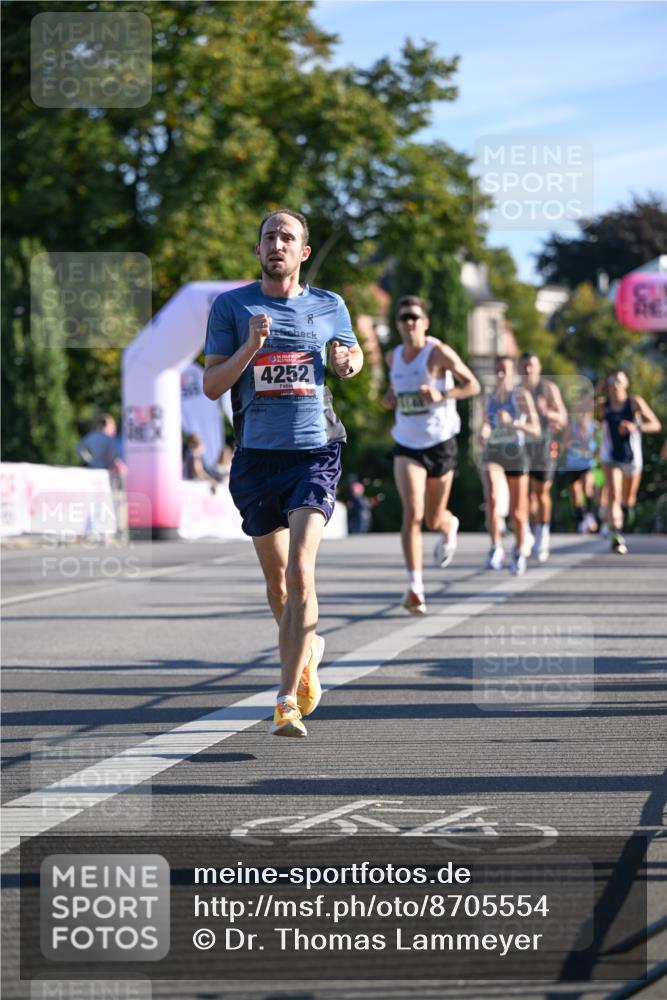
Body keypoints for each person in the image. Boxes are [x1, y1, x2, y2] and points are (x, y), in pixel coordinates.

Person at [203, 209, 363, 737]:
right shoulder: (231, 306)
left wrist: (347, 363)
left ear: (303, 252)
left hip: (315, 452)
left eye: (287, 237)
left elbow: (351, 355)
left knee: (300, 573)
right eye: (269, 236)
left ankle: (285, 699)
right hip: (256, 456)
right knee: (276, 583)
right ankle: (308, 650)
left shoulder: (329, 305)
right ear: (258, 250)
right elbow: (211, 385)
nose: (277, 244)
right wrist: (250, 345)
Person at [383, 296, 480, 614]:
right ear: (398, 325)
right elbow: (393, 393)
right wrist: (390, 399)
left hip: (440, 442)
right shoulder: (392, 356)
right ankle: (415, 587)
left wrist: (442, 394)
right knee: (413, 513)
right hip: (407, 444)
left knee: (434, 518)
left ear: (425, 323)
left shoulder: (438, 352)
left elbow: (473, 385)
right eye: (403, 318)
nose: (409, 323)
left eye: (414, 317)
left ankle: (449, 524)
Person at [479, 356, 540, 576]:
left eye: (505, 370)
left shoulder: (520, 396)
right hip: (494, 452)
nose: (501, 375)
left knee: (517, 511)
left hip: (515, 453)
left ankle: (518, 551)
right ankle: (496, 548)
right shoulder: (489, 398)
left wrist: (513, 423)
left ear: (513, 373)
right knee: (493, 498)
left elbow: (536, 429)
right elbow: (485, 423)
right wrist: (483, 432)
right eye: (497, 371)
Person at [597, 369, 662, 553]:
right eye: (612, 380)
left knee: (628, 499)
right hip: (610, 457)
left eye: (619, 380)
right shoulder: (603, 405)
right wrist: (595, 391)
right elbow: (581, 415)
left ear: (626, 384)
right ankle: (616, 535)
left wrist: (635, 426)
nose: (615, 384)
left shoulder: (634, 403)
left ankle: (626, 510)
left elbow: (656, 424)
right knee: (614, 495)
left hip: (632, 458)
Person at [519, 352, 568, 561]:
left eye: (531, 365)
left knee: (541, 492)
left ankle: (543, 532)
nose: (528, 370)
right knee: (524, 494)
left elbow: (563, 417)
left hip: (545, 447)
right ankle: (529, 532)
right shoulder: (516, 391)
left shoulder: (548, 389)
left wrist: (546, 412)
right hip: (522, 448)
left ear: (539, 368)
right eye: (524, 366)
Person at [77, 413, 128, 539]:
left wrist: (90, 460)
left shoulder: (91, 436)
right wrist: (107, 463)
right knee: (114, 501)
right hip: (107, 473)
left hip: (93, 472)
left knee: (93, 501)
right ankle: (116, 529)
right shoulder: (109, 439)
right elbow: (115, 456)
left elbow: (79, 449)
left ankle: (94, 529)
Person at [562, 401, 598, 533]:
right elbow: (565, 444)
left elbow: (599, 446)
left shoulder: (594, 427)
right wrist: (575, 439)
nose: (583, 416)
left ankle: (590, 515)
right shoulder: (572, 426)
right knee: (576, 494)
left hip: (587, 463)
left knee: (587, 486)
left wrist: (589, 443)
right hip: (573, 464)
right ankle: (581, 519)